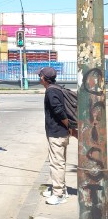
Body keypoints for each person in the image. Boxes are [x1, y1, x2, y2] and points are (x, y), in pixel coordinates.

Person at [38, 66, 71, 205]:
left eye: (40, 76)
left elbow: (59, 111)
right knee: (59, 162)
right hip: (60, 133)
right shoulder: (56, 88)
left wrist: (68, 126)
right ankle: (60, 189)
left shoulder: (51, 92)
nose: (39, 77)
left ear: (44, 78)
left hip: (57, 134)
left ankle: (59, 194)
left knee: (57, 164)